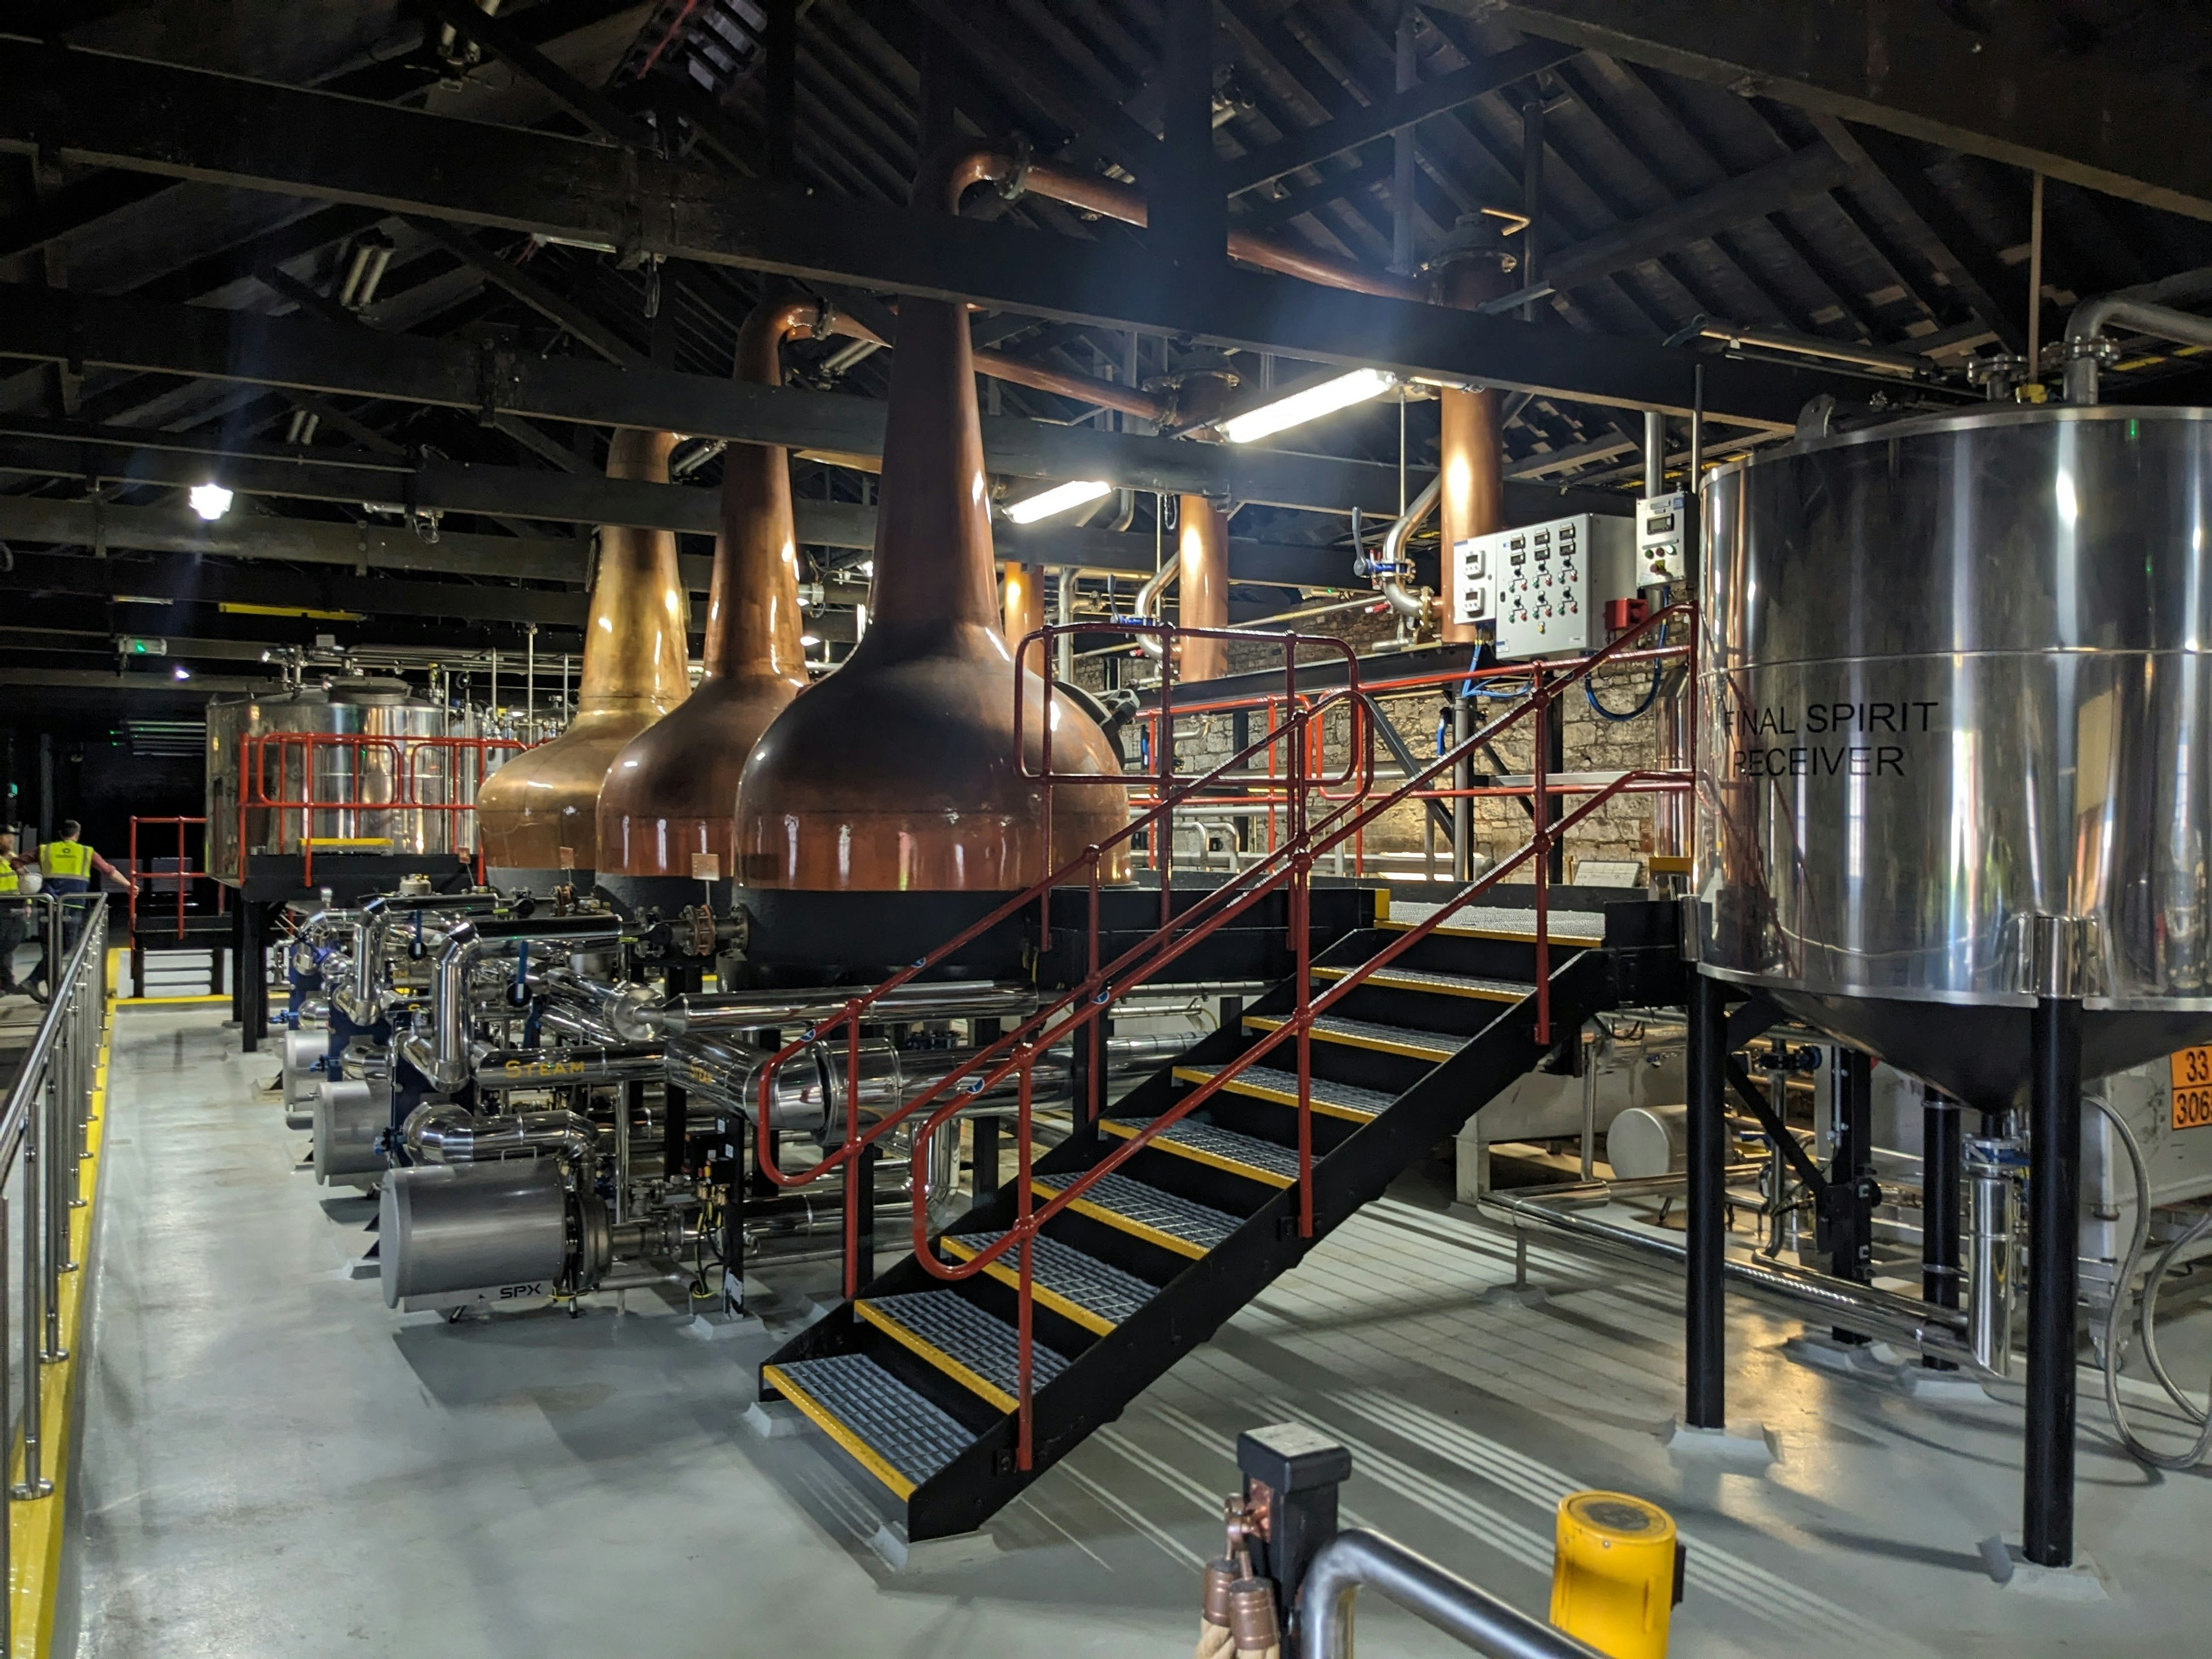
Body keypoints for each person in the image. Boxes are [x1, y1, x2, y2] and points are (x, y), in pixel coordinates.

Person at [24, 820, 135, 1004]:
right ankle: (34, 980)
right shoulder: (86, 852)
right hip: (73, 905)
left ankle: (51, 989)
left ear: (61, 834)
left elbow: (17, 861)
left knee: (51, 948)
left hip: (49, 904)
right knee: (65, 946)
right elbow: (109, 870)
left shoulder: (45, 849)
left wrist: (28, 879)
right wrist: (128, 885)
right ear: (77, 834)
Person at [0, 831, 33, 996]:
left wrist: (27, 903)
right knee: (4, 947)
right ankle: (7, 983)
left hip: (16, 906)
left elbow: (24, 882)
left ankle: (6, 982)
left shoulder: (14, 858)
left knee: (10, 945)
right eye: (7, 836)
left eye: (12, 837)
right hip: (2, 906)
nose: (11, 840)